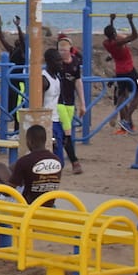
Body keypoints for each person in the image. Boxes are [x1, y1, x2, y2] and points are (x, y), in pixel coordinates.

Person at [0, 124, 61, 205]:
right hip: (47, 203)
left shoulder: (26, 160)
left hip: (26, 203)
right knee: (12, 167)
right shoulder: (56, 160)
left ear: (29, 141)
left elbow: (8, 192)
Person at [102, 13, 138, 134]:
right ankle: (127, 120)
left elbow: (111, 34)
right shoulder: (118, 43)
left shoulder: (106, 43)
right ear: (114, 34)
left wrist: (111, 20)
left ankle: (126, 125)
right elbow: (135, 35)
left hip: (119, 72)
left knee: (122, 97)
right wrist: (130, 20)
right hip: (129, 71)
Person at [56, 36, 85, 173]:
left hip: (70, 101)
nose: (62, 53)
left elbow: (78, 82)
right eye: (60, 50)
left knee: (63, 133)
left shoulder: (75, 62)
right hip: (59, 101)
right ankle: (75, 161)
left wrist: (82, 103)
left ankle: (60, 159)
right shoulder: (57, 64)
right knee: (67, 131)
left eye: (64, 50)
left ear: (70, 50)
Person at [0, 14, 26, 134]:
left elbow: (22, 40)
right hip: (10, 83)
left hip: (18, 83)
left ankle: (18, 131)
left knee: (18, 109)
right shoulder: (13, 50)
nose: (17, 39)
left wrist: (18, 27)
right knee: (11, 109)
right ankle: (15, 130)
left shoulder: (23, 51)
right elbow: (2, 39)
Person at [41, 47, 63, 161]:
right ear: (49, 62)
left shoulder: (57, 78)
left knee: (59, 160)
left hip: (56, 120)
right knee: (54, 159)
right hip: (47, 122)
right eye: (58, 61)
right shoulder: (44, 79)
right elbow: (39, 106)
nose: (61, 63)